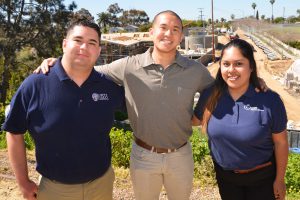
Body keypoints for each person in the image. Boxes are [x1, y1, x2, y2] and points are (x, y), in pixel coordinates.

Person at [36, 10, 214, 200]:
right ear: (151, 32)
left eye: (175, 29)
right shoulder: (129, 66)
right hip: (144, 155)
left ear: (181, 36)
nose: (168, 34)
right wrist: (58, 62)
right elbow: (87, 69)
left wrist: (199, 115)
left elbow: (212, 87)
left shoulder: (195, 70)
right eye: (163, 28)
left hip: (181, 154)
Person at [2, 19, 125, 200]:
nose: (84, 47)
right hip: (54, 189)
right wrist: (23, 182)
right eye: (78, 40)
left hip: (102, 185)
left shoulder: (109, 86)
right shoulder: (35, 84)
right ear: (64, 44)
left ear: (98, 51)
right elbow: (13, 131)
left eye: (92, 43)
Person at [192, 39, 288, 200]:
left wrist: (279, 179)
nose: (231, 70)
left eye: (238, 64)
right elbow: (193, 120)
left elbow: (281, 143)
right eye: (226, 64)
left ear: (251, 67)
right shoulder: (210, 95)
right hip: (226, 179)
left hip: (262, 179)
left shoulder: (270, 100)